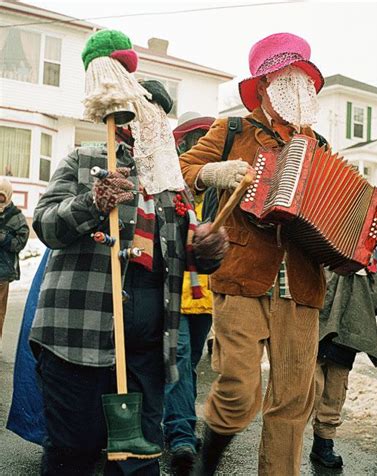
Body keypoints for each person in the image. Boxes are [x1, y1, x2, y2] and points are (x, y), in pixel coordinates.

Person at [179, 32, 377, 475]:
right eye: (286, 77)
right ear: (264, 84)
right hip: (241, 276)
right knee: (238, 388)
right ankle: (208, 460)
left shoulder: (321, 148)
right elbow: (182, 169)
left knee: (293, 400)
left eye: (304, 80)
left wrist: (370, 228)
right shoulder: (231, 129)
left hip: (303, 287)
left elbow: (349, 213)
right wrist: (213, 172)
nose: (297, 87)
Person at [30, 30, 227, 476]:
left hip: (146, 349)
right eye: (143, 115)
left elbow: (190, 256)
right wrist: (93, 201)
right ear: (123, 120)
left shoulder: (170, 185)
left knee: (138, 463)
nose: (152, 124)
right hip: (76, 338)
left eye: (159, 117)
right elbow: (46, 225)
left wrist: (211, 249)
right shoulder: (85, 160)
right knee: (73, 455)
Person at [163, 112, 216, 475]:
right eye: (195, 141)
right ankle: (181, 432)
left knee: (190, 361)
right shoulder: (170, 187)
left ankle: (177, 422)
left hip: (205, 295)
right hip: (172, 290)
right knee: (178, 357)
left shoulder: (218, 194)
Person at [309, 266, 377, 468]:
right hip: (316, 325)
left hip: (346, 334)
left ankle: (323, 443)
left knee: (334, 392)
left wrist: (369, 272)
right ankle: (288, 443)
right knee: (307, 390)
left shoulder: (367, 258)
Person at [0, 177, 29, 341]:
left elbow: (20, 243)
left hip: (2, 272)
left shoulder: (16, 217)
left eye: (1, 196)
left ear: (8, 195)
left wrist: (4, 238)